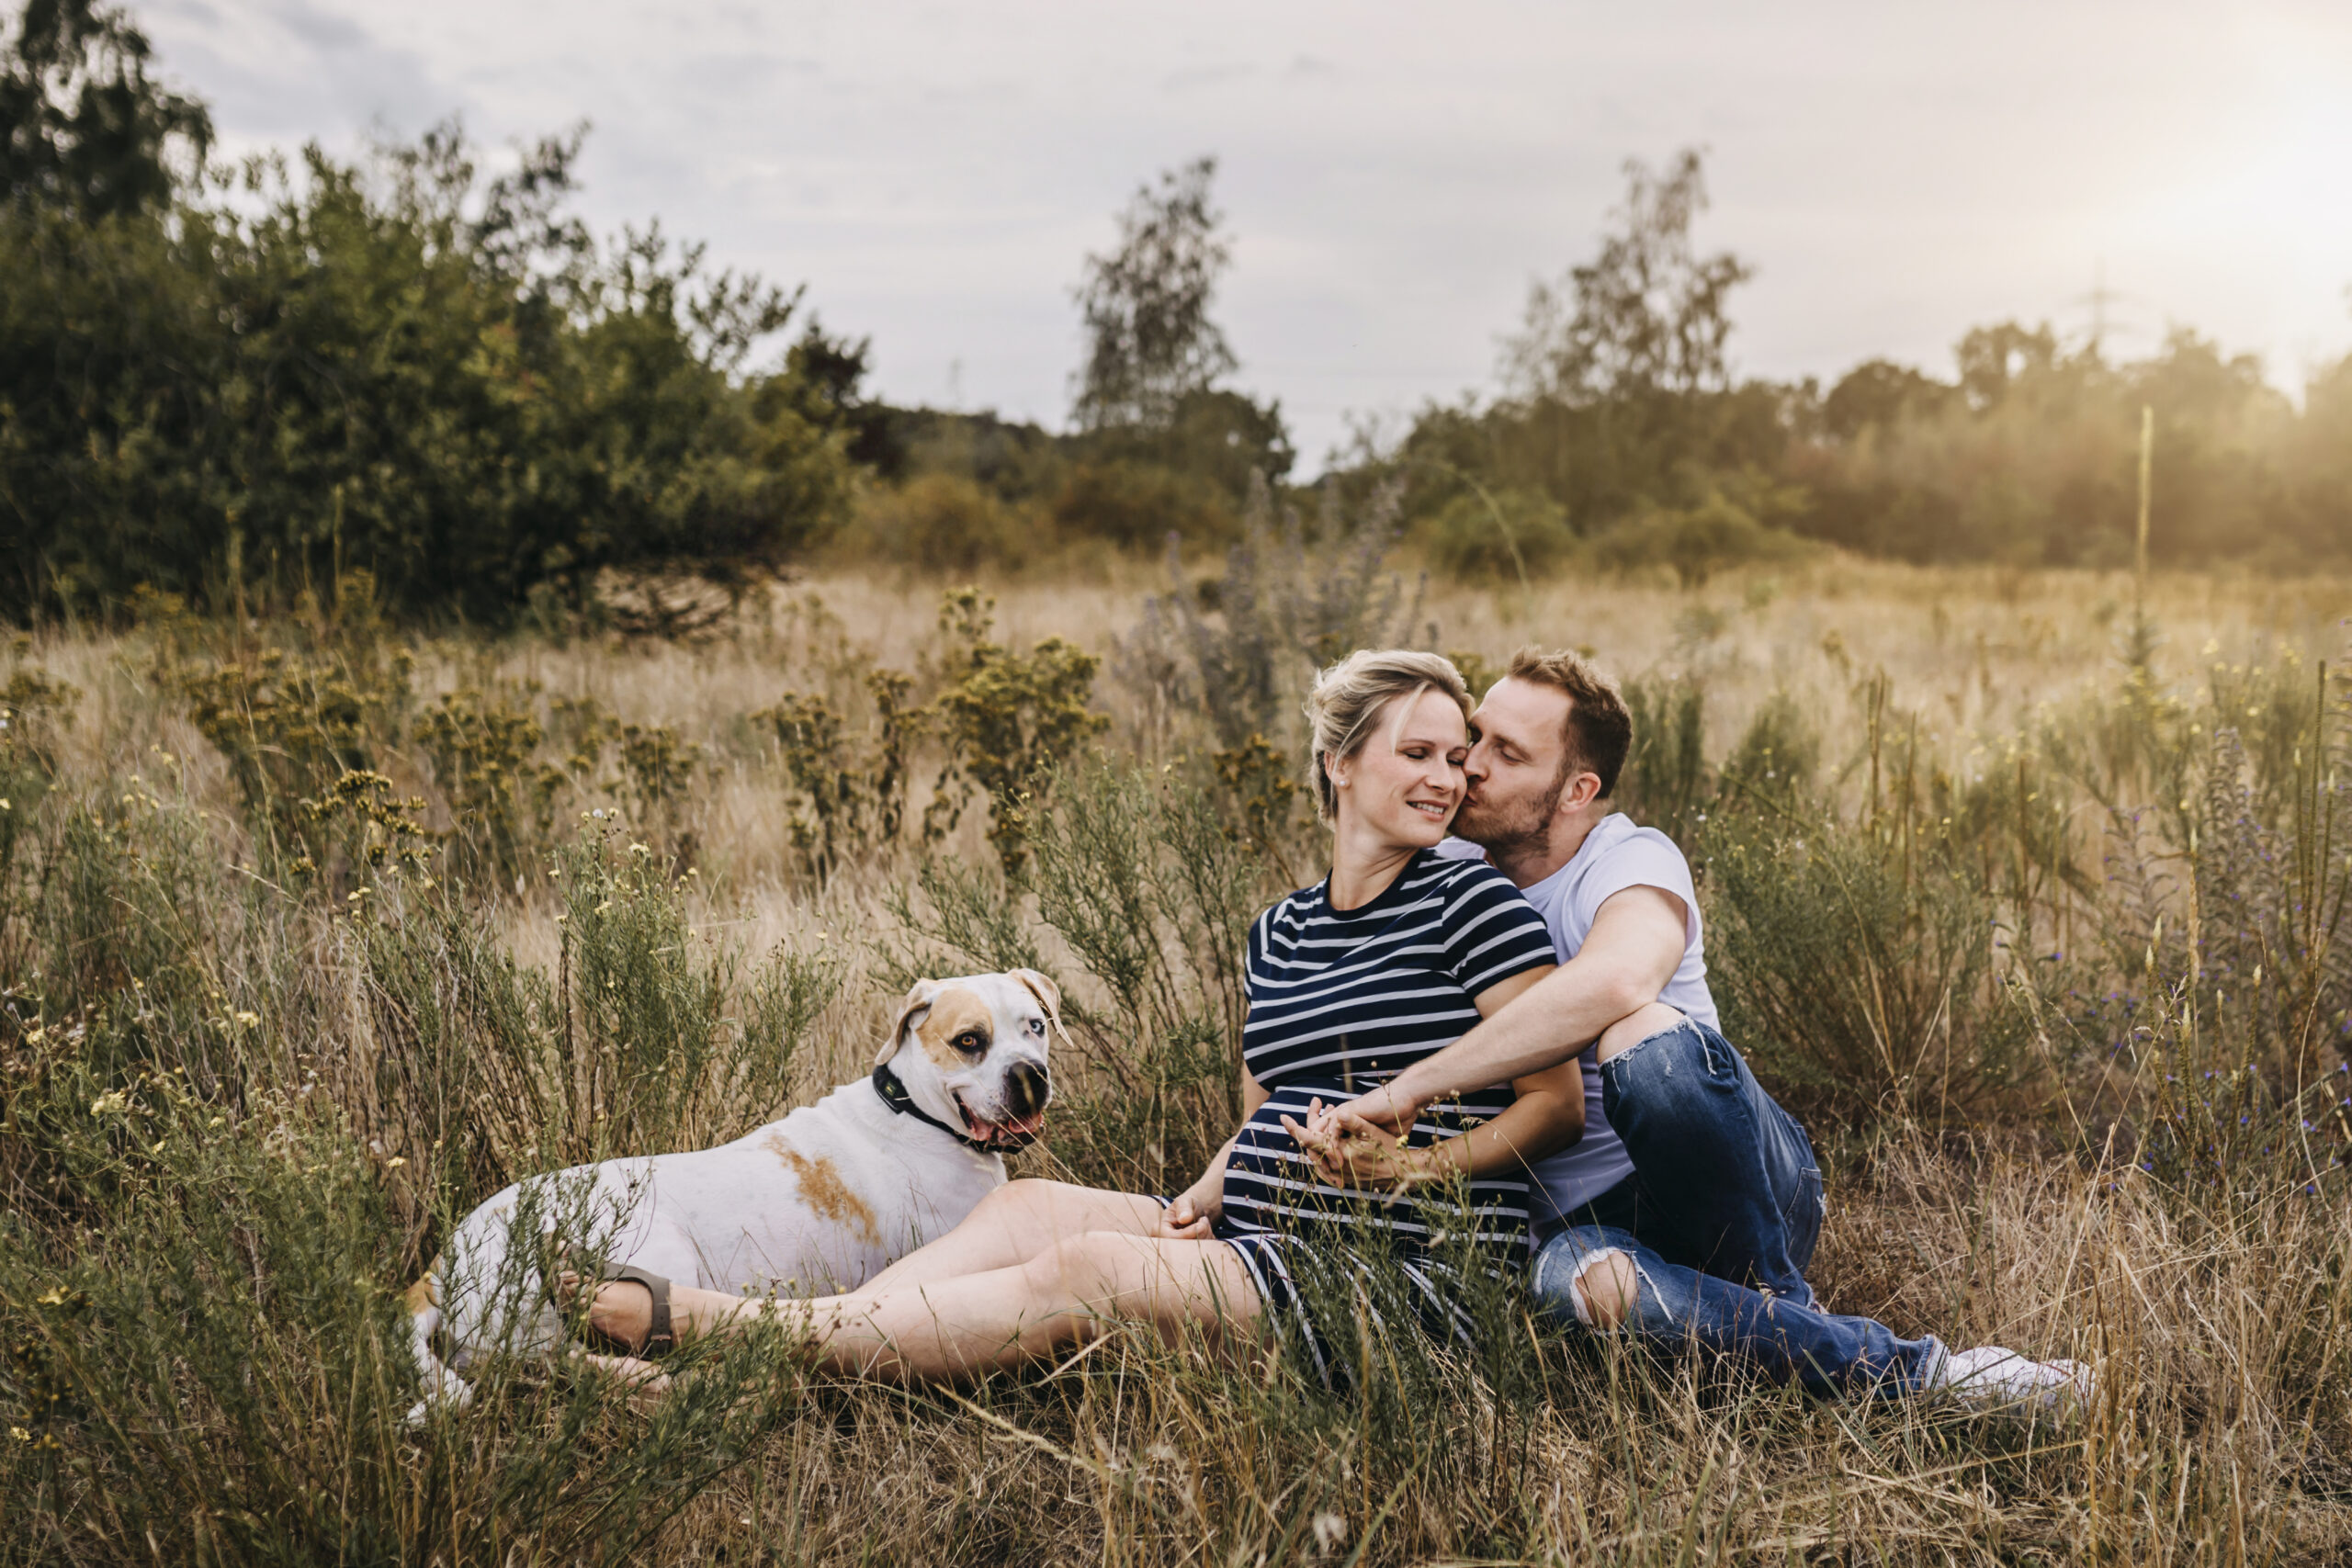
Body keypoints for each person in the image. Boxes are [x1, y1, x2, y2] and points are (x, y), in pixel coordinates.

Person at [561, 649, 1580, 1389]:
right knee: (1024, 1209)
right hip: (1270, 1223)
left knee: (1088, 1270)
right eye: (1417, 752)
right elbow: (1266, 1112)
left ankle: (733, 1333)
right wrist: (1213, 1184)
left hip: (1408, 1267)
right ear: (1340, 762)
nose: (1446, 778)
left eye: (1457, 758)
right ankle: (799, 1345)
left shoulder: (1474, 902)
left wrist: (1414, 1168)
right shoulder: (1279, 931)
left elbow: (1556, 1102)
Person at [1295, 648, 2094, 1411]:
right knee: (1580, 1292)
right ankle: (1785, 1333)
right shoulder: (1453, 878)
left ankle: (1918, 1367)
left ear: (1575, 790)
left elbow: (1619, 979)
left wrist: (1415, 1088)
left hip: (1739, 1178)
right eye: (1476, 739)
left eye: (1507, 753)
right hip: (1589, 1224)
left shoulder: (1628, 859)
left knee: (1642, 1043)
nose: (1468, 766)